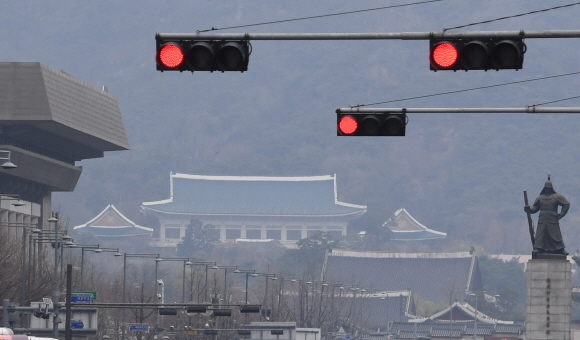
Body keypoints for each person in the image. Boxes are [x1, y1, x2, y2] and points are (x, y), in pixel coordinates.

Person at [524, 177, 570, 255]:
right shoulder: (540, 197)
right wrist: (528, 209)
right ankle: (539, 248)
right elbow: (535, 208)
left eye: (549, 188)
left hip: (553, 218)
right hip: (542, 218)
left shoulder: (557, 196)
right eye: (546, 188)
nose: (547, 190)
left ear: (551, 188)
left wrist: (561, 214)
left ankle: (560, 249)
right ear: (544, 188)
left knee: (555, 234)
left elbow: (566, 204)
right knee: (541, 234)